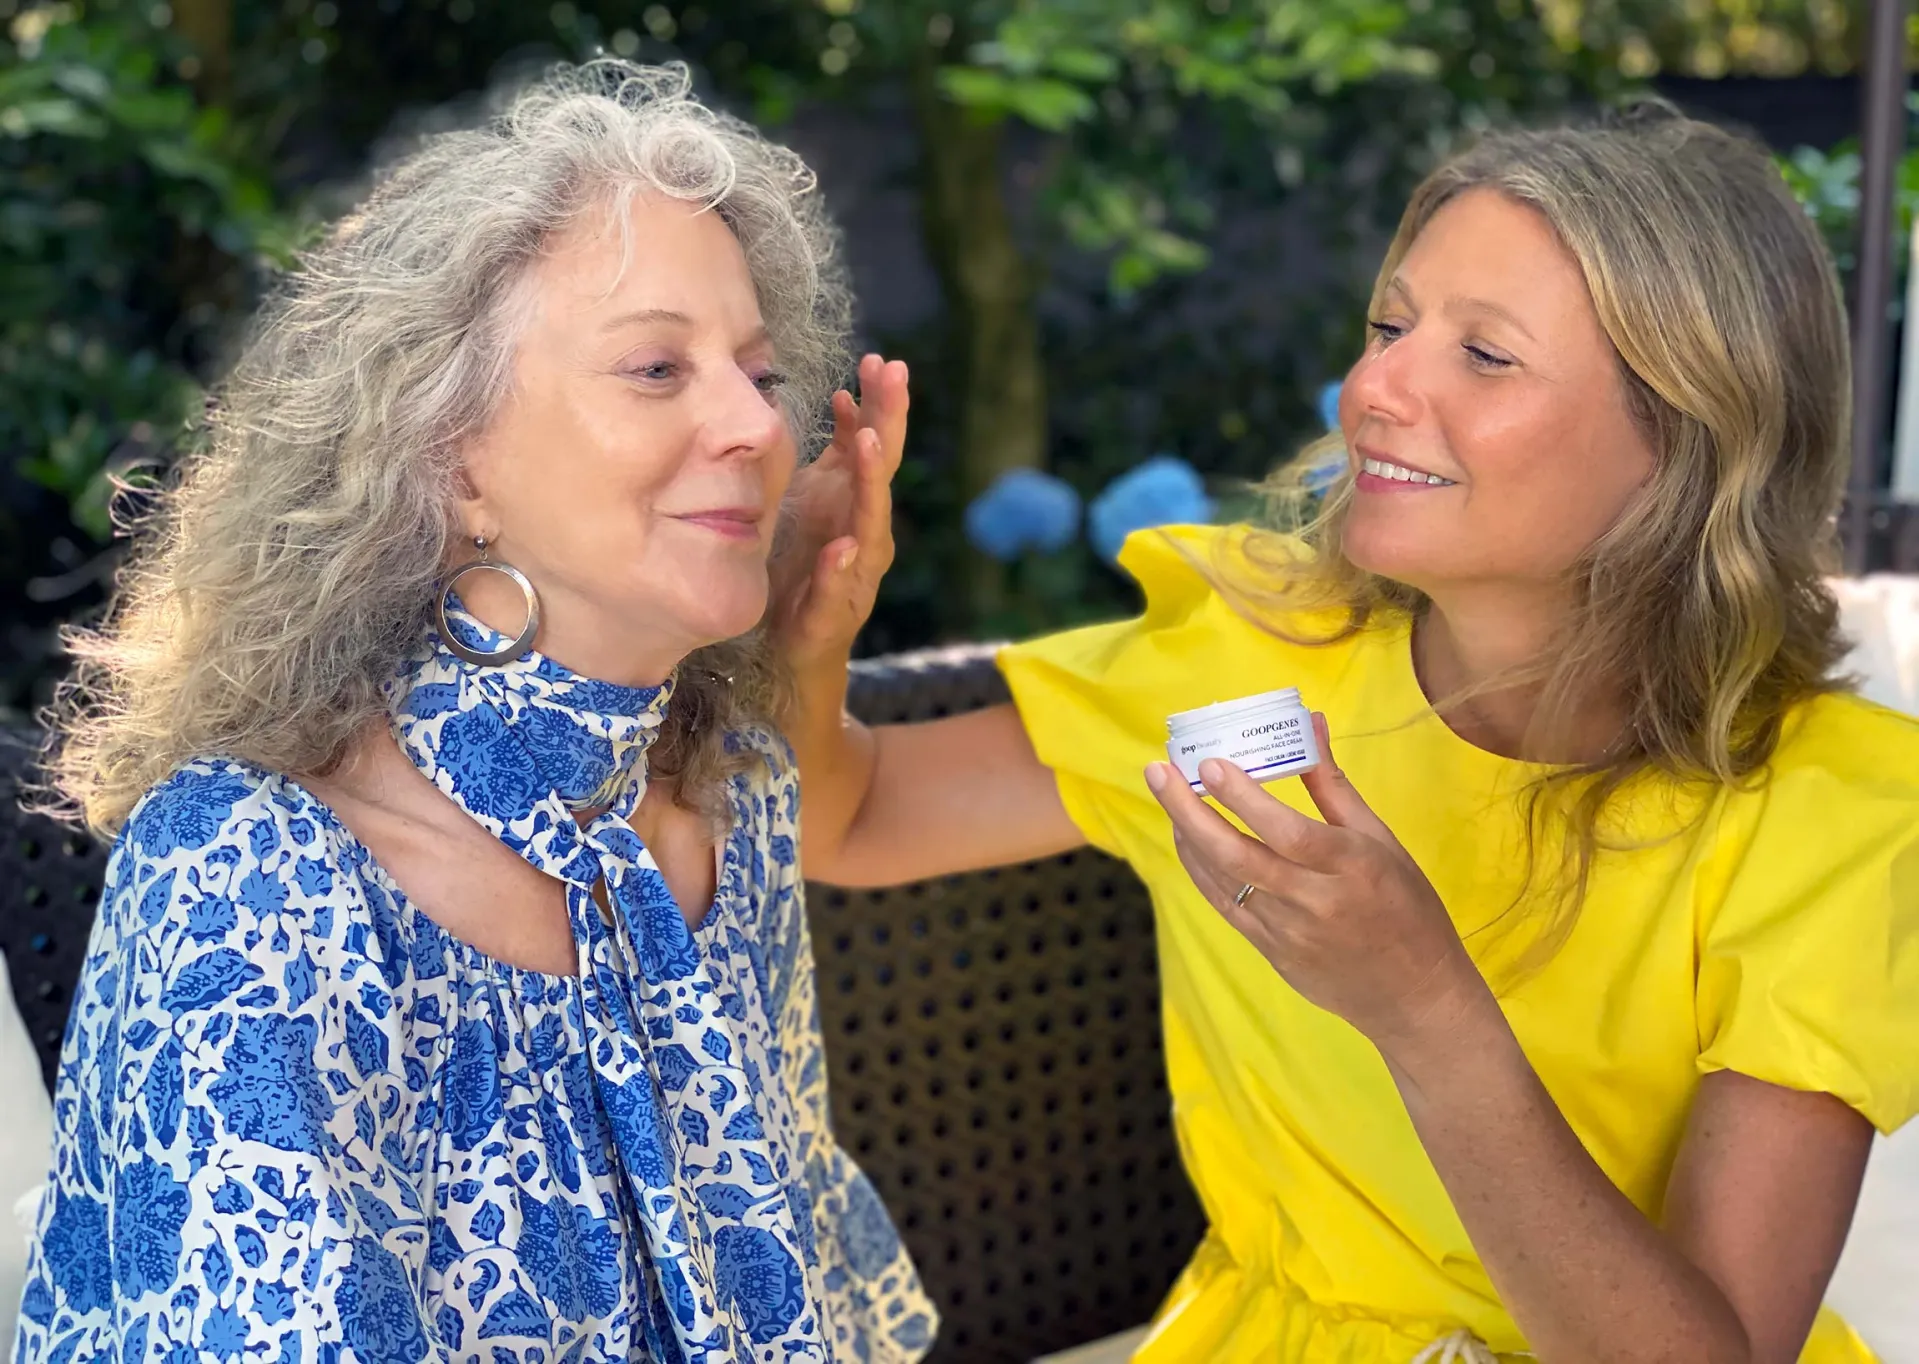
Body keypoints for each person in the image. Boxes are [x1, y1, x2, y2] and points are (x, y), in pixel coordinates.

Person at [774, 104, 1919, 1363]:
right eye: (1389, 326)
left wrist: (1426, 1010)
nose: (1376, 387)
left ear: (1686, 440)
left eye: (1484, 355)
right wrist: (806, 624)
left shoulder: (1828, 813)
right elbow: (846, 814)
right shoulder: (1250, 657)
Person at [17, 61, 932, 1364]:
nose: (753, 424)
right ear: (453, 460)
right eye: (656, 367)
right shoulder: (254, 872)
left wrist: (814, 635)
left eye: (760, 372)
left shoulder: (735, 806)